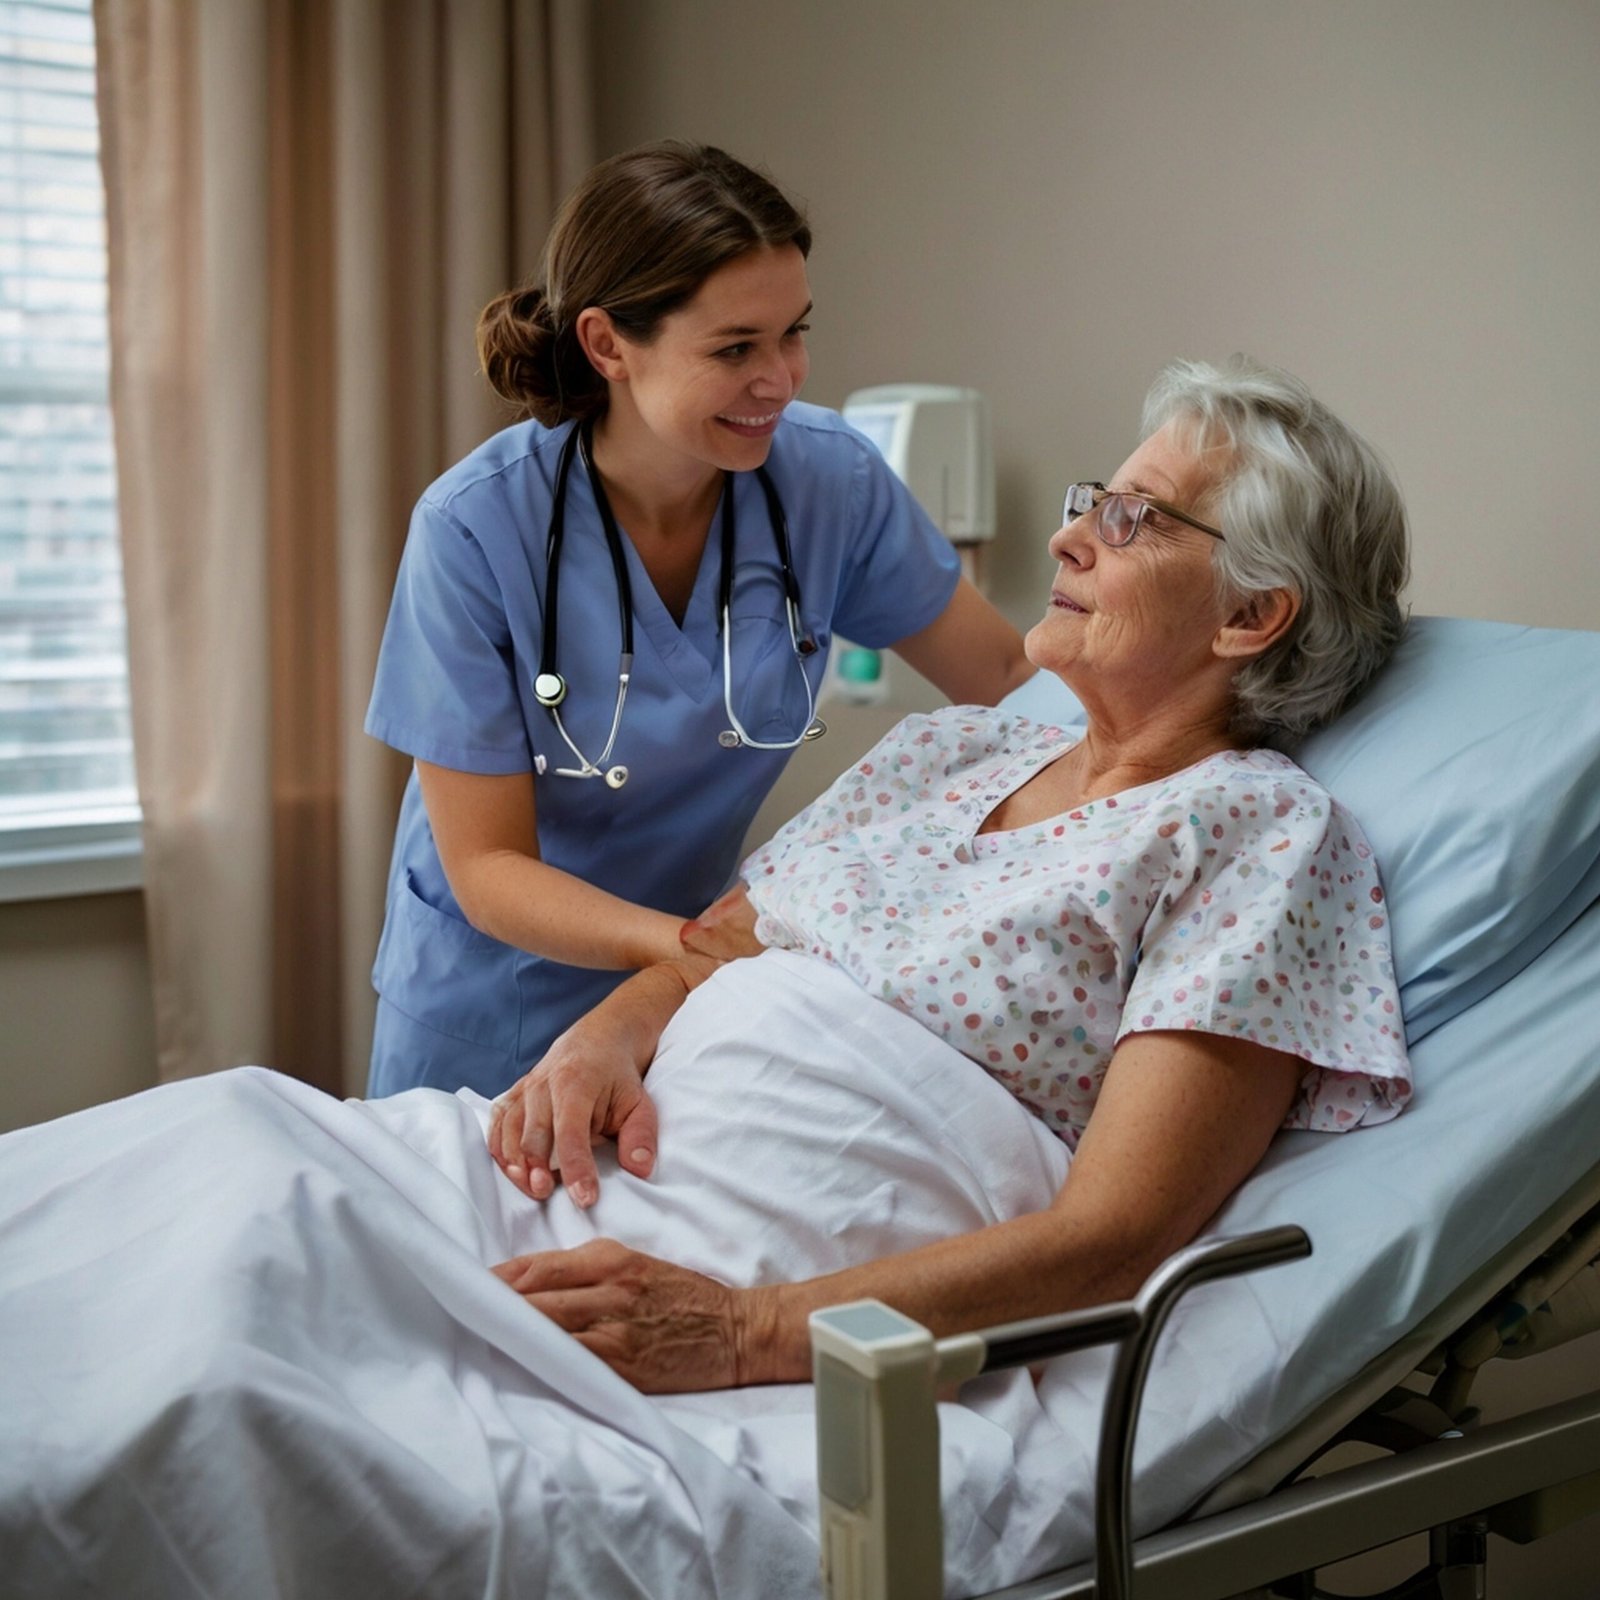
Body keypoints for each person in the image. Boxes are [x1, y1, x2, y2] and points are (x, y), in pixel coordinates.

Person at [484, 354, 1414, 1393]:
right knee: (271, 1170)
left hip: (759, 1261)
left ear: (1248, 616)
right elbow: (724, 945)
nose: (1065, 538)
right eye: (1090, 505)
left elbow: (1115, 1237)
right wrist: (607, 1031)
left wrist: (742, 1329)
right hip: (603, 1175)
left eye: (1130, 519)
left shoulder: (1258, 830)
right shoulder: (956, 749)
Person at [364, 140, 1034, 1100]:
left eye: (793, 332)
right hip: (491, 1006)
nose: (783, 379)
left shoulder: (829, 482)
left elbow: (1008, 679)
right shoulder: (475, 529)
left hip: (688, 1001)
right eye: (735, 349)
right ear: (608, 347)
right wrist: (687, 944)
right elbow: (488, 864)